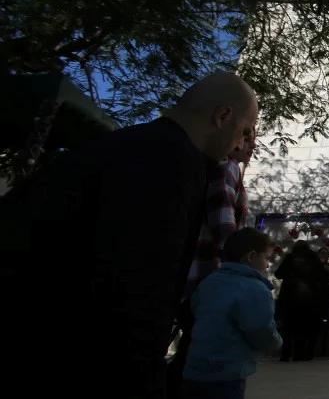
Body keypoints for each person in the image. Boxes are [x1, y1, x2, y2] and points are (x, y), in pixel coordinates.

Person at [0, 72, 258, 397]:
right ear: (223, 116)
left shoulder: (120, 148)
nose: (242, 144)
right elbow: (136, 297)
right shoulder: (169, 165)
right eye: (245, 132)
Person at [169, 132, 257, 396]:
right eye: (248, 139)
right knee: (202, 351)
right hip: (208, 278)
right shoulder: (227, 167)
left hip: (201, 278)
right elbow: (225, 228)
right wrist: (245, 266)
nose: (252, 146)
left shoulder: (222, 169)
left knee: (193, 349)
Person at [182, 228, 282, 399]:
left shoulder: (210, 281)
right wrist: (276, 342)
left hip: (195, 368)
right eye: (266, 258)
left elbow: (194, 308)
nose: (267, 264)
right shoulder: (255, 289)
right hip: (227, 372)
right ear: (251, 257)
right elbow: (260, 328)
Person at [274, 240, 327, 361]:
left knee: (288, 327)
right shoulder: (313, 258)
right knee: (303, 327)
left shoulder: (290, 258)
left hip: (289, 297)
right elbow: (321, 276)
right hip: (307, 298)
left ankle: (285, 353)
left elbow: (278, 274)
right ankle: (299, 354)